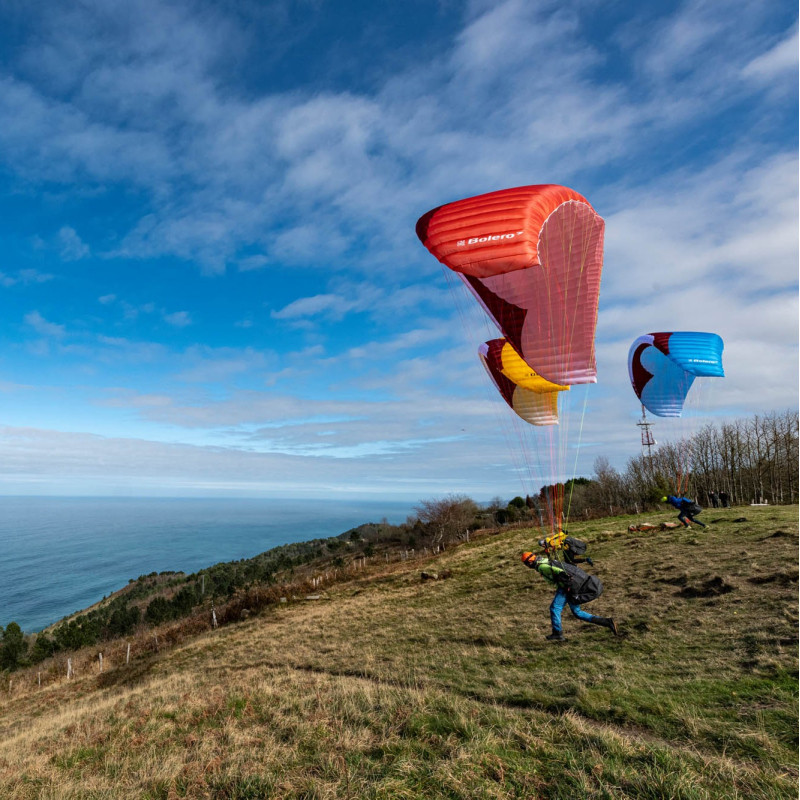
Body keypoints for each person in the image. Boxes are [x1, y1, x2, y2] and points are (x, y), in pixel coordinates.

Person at [521, 552, 618, 641]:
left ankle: (557, 633)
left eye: (526, 564)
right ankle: (607, 622)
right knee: (577, 613)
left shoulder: (541, 567)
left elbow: (560, 573)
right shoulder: (545, 560)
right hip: (572, 586)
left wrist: (566, 585)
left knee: (555, 608)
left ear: (529, 562)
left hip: (566, 587)